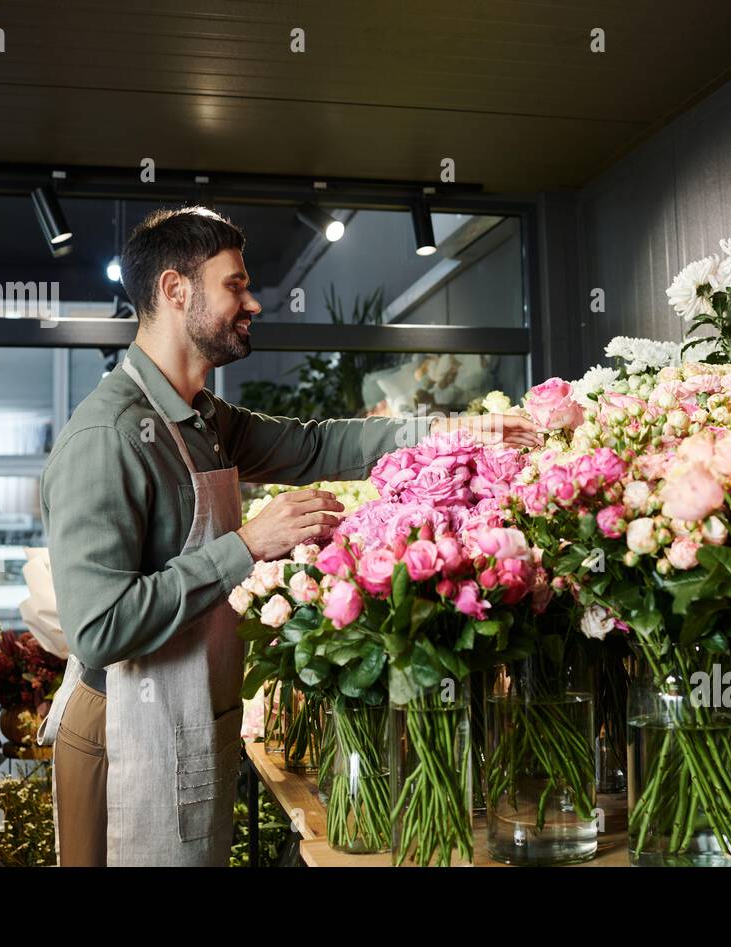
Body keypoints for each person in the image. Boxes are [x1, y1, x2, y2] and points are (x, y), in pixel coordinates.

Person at [38, 206, 538, 866]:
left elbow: (317, 443)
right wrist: (248, 544)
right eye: (235, 285)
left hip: (189, 716)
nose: (253, 303)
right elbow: (99, 627)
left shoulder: (201, 417)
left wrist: (452, 433)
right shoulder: (108, 438)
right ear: (173, 289)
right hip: (124, 727)